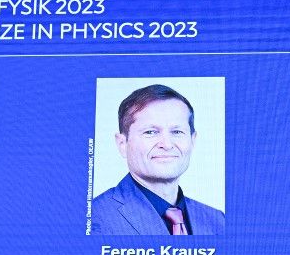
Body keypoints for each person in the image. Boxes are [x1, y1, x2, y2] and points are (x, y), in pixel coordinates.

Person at [91, 84, 224, 235]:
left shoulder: (218, 220)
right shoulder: (94, 219)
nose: (166, 145)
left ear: (192, 140)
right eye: (150, 132)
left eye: (177, 131)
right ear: (122, 144)